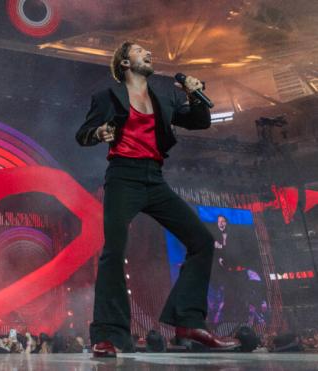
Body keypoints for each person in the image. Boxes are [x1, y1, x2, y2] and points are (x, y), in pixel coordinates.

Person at [76, 41, 240, 357]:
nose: (147, 53)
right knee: (113, 250)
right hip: (123, 177)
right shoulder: (108, 97)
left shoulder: (163, 99)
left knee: (202, 242)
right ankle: (108, 335)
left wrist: (194, 94)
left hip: (154, 179)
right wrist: (98, 134)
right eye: (139, 51)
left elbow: (199, 121)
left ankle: (189, 321)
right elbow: (82, 133)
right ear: (124, 63)